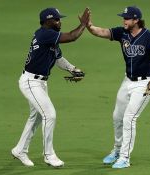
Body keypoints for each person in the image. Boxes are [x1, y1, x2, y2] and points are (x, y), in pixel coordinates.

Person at [86, 6, 150, 168]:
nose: (124, 20)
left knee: (129, 118)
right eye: (123, 17)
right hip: (127, 81)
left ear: (136, 20)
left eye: (127, 18)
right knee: (117, 117)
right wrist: (89, 25)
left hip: (145, 83)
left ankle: (125, 158)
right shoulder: (122, 33)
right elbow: (101, 32)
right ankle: (116, 150)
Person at [11, 7, 90, 167]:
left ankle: (20, 150)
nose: (59, 21)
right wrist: (83, 24)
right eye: (56, 19)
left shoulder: (50, 38)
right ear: (47, 21)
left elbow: (58, 58)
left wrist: (72, 69)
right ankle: (48, 155)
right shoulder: (44, 34)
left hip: (39, 83)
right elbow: (72, 37)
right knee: (50, 114)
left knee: (37, 117)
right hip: (31, 82)